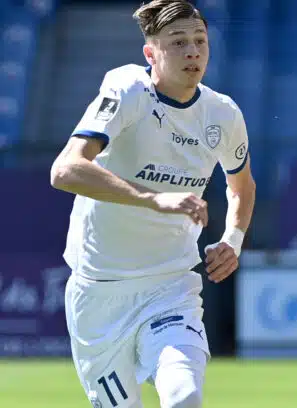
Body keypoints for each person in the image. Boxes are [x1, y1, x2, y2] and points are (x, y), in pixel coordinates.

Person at [49, 1, 256, 407]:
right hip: (99, 294)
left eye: (200, 41)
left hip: (170, 287)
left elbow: (242, 187)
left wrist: (233, 239)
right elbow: (65, 170)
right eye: (178, 42)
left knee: (184, 397)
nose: (193, 52)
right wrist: (152, 199)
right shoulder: (129, 91)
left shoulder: (222, 114)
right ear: (151, 53)